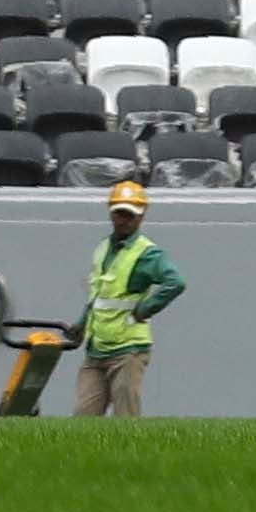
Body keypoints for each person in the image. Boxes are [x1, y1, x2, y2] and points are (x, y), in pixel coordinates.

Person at [76, 177, 185, 416]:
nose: (124, 220)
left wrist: (145, 309)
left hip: (128, 349)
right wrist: (81, 325)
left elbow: (175, 282)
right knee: (82, 417)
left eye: (130, 214)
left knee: (126, 417)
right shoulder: (103, 248)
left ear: (141, 216)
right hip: (96, 348)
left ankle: (130, 454)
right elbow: (97, 295)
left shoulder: (147, 254)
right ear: (111, 213)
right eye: (119, 213)